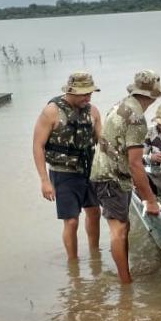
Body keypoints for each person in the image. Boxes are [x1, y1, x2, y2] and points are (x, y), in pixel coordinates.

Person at [90, 70, 161, 283]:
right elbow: (135, 162)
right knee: (119, 229)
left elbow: (114, 145)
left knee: (122, 226)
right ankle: (126, 283)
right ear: (153, 96)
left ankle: (124, 276)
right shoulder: (137, 118)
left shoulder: (119, 105)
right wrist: (150, 200)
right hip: (111, 176)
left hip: (105, 172)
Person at [32, 71, 102, 261]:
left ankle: (95, 256)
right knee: (71, 221)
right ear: (71, 91)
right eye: (84, 94)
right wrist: (44, 181)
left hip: (89, 170)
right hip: (63, 173)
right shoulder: (52, 111)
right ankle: (74, 263)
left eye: (90, 93)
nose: (88, 98)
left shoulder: (93, 111)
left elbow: (103, 144)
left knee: (95, 212)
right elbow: (37, 146)